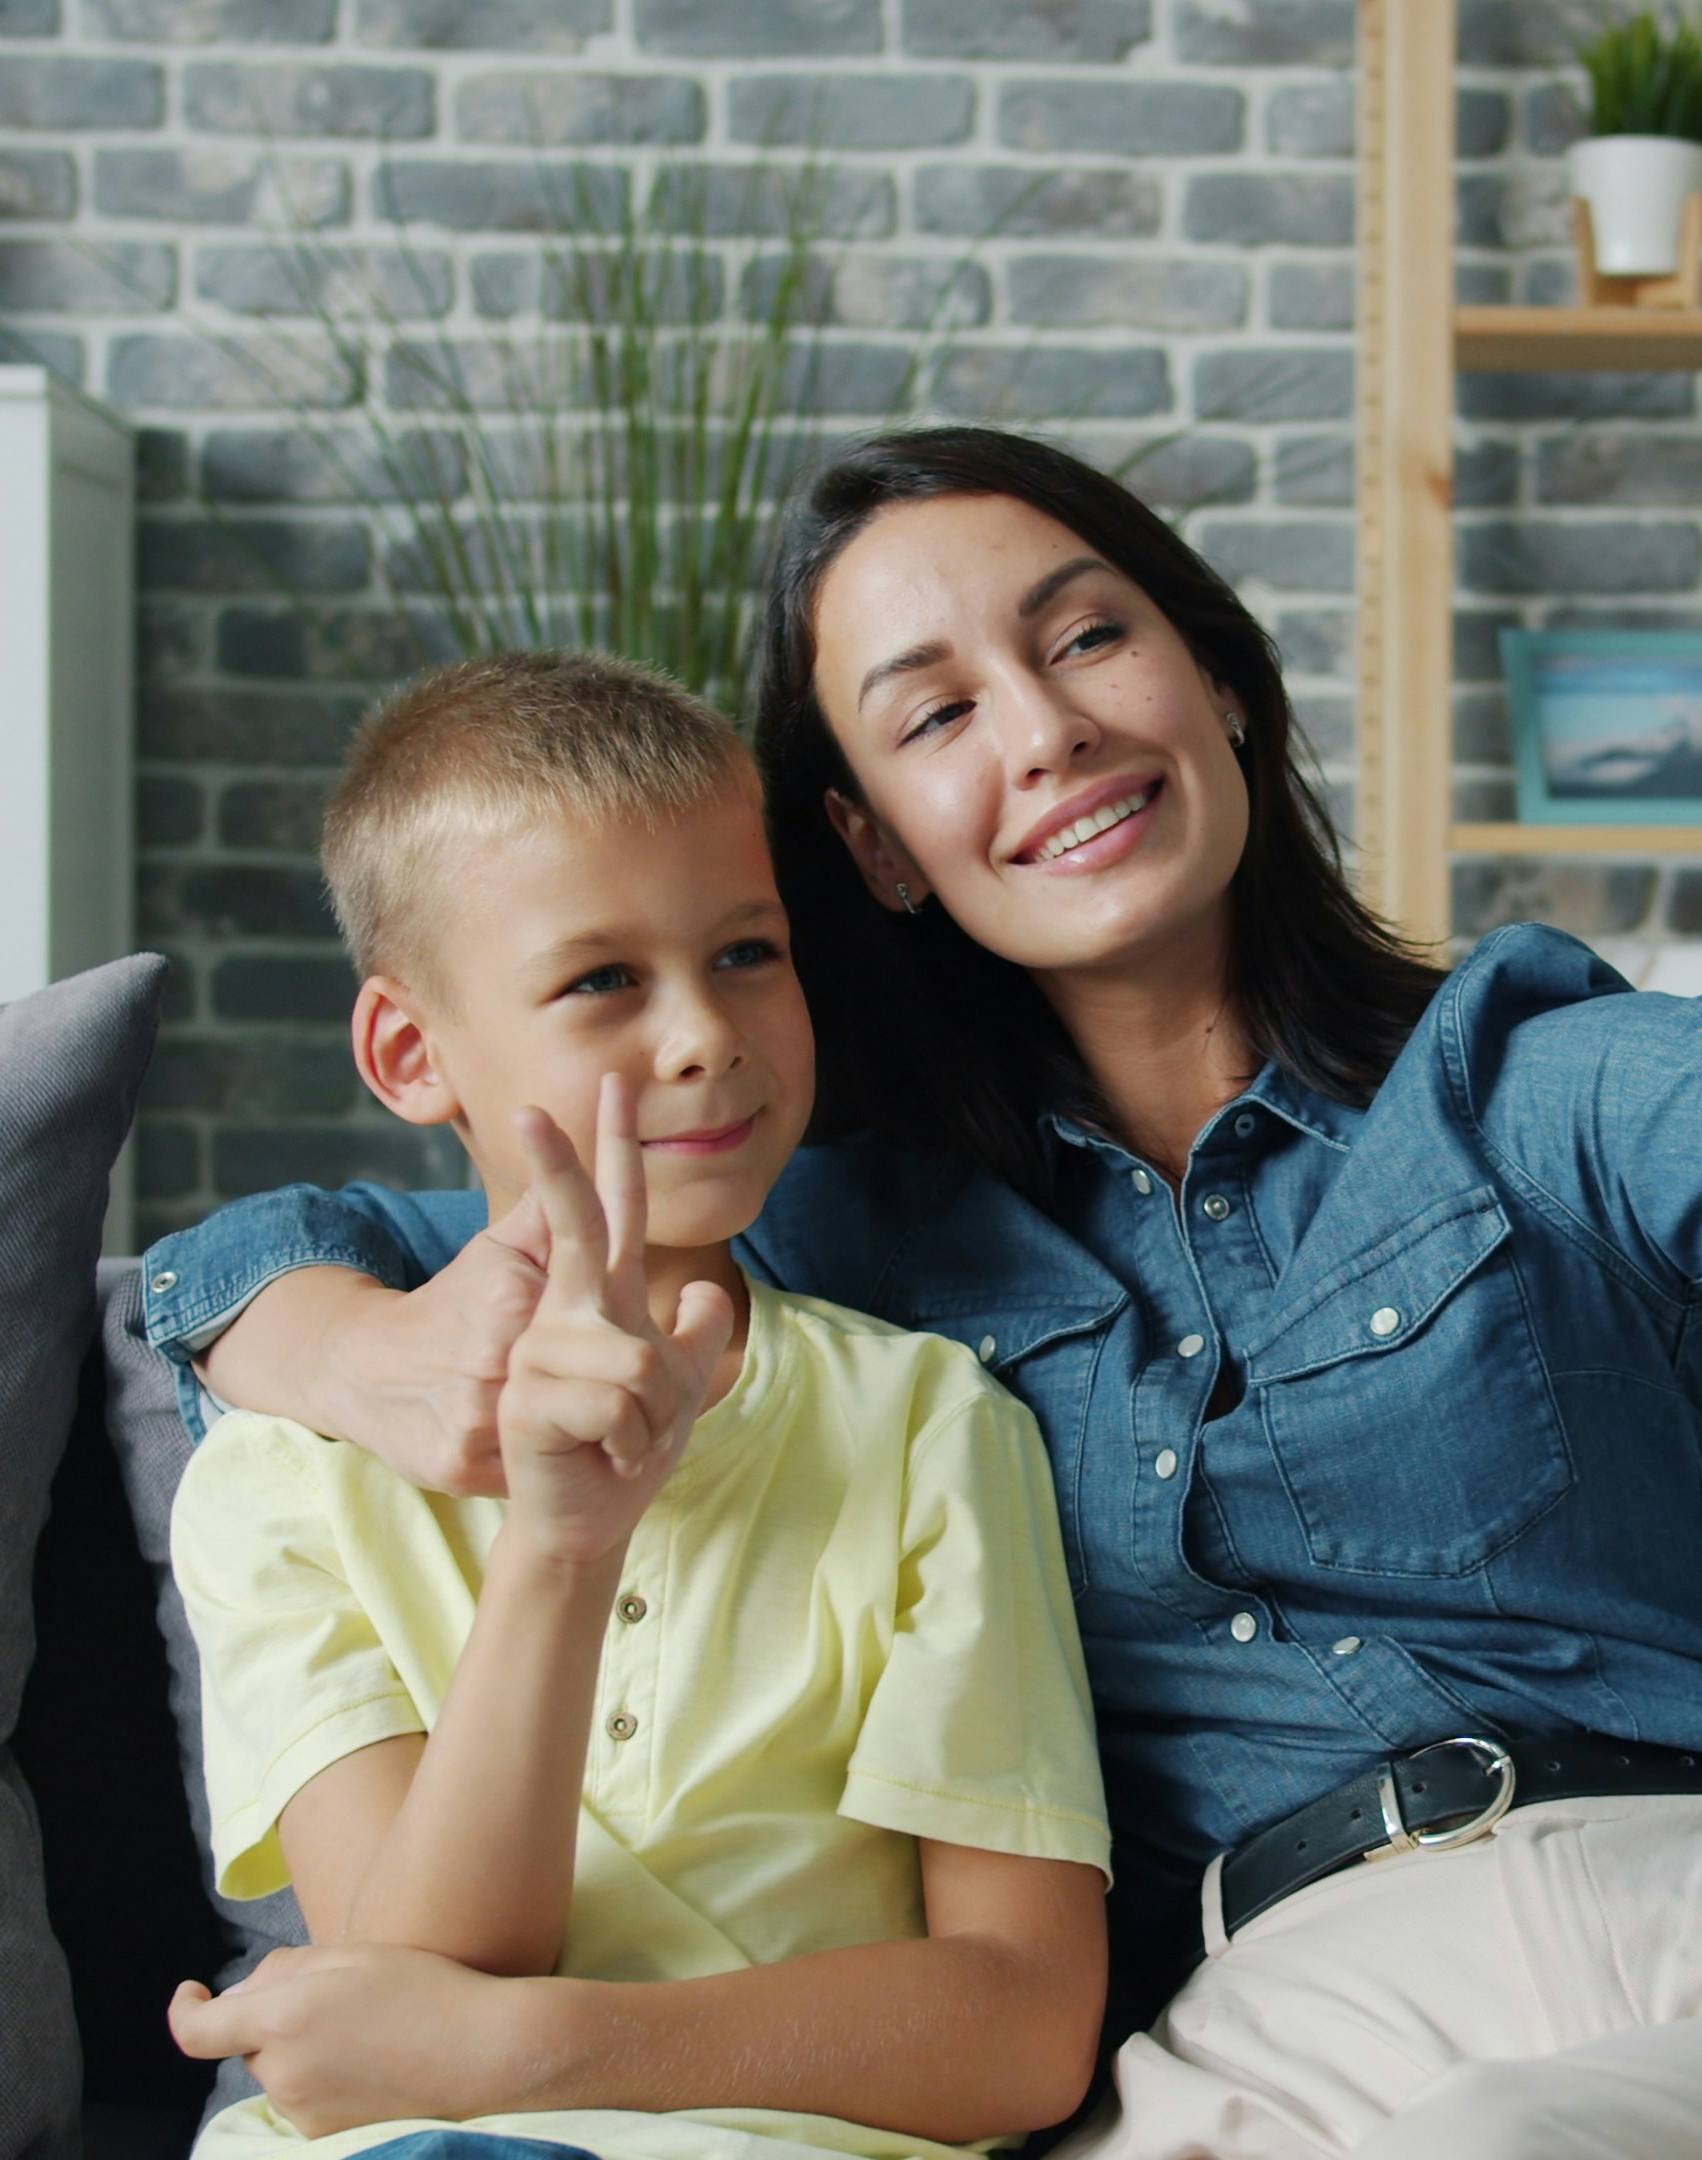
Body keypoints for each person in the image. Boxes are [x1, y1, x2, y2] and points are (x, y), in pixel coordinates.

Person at [145, 181, 1702, 2158]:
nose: (1044, 731)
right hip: (1275, 2039)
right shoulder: (838, 1228)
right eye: (929, 717)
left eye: (1087, 632)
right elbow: (297, 1248)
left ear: (1218, 678)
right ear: (868, 857)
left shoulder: (1523, 1084)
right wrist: (348, 1350)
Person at [157, 653, 1112, 2159]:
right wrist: (560, 1547)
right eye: (603, 980)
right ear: (414, 1053)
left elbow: (1023, 2024)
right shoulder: (280, 1479)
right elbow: (407, 2004)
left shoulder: (928, 1425)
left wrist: (551, 2057)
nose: (701, 1036)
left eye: (746, 953)